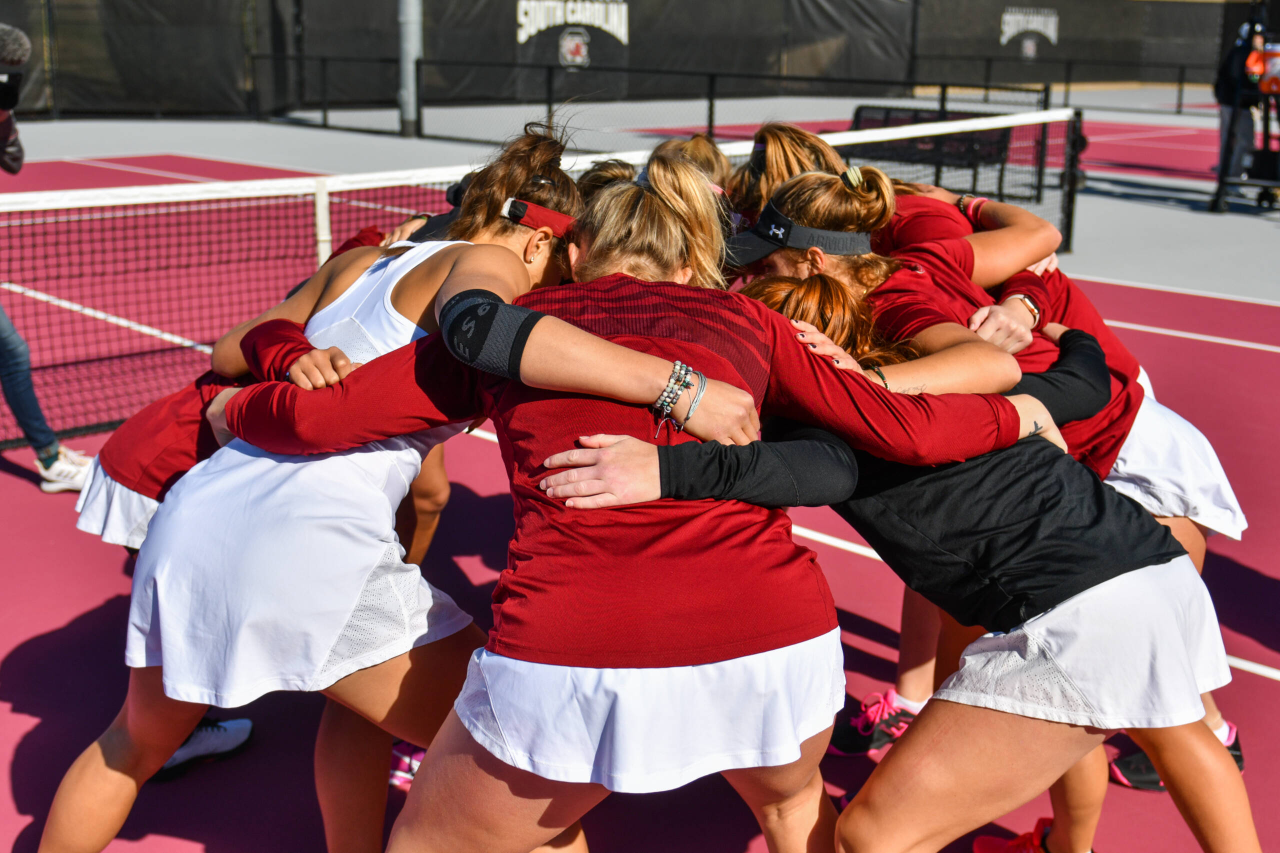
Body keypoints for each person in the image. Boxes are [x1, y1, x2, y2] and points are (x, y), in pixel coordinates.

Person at [211, 152, 1053, 853]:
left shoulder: (525, 324)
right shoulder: (751, 323)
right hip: (775, 639)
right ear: (690, 263)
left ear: (577, 257)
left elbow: (323, 418)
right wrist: (1018, 409)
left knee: (428, 844)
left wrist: (228, 406)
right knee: (794, 811)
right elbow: (889, 432)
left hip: (576, 649)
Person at [533, 267, 1260, 853]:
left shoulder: (826, 415)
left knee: (874, 835)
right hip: (1151, 567)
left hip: (1076, 615)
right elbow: (1078, 385)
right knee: (1173, 730)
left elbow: (809, 472)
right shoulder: (931, 379)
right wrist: (1078, 342)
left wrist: (665, 472)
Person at [37, 126, 591, 853]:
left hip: (199, 515)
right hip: (311, 539)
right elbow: (481, 322)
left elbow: (236, 344)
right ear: (536, 241)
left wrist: (290, 351)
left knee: (130, 747)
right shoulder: (492, 259)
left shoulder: (366, 258)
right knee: (520, 769)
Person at [1214, 20, 1267, 184]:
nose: (1262, 40)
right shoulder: (1246, 54)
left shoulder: (1238, 52)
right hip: (1238, 104)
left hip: (1231, 103)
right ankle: (1233, 178)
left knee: (1230, 141)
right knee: (1243, 142)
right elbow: (1246, 80)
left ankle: (1226, 176)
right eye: (1259, 36)